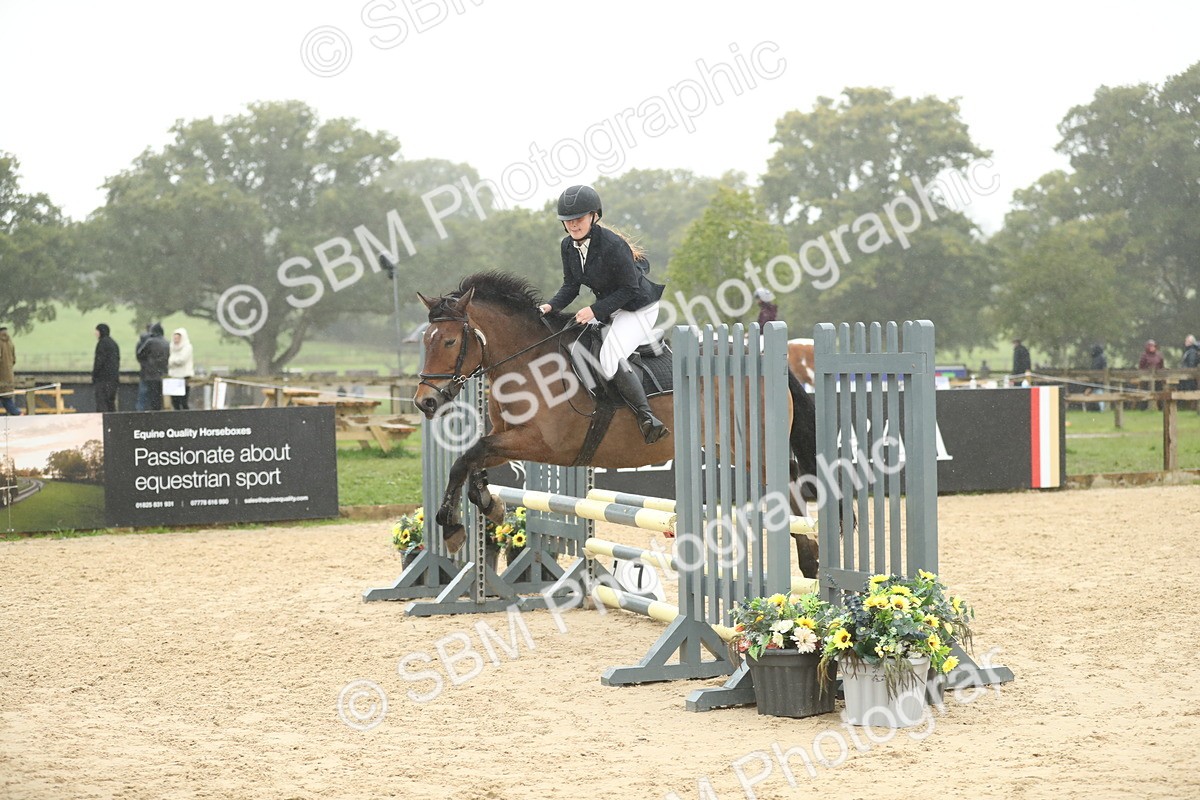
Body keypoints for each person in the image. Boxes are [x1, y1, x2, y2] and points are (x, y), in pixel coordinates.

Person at [538, 184, 669, 444]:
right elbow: (571, 286)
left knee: (610, 358)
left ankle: (648, 418)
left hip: (639, 307)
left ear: (594, 216)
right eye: (568, 221)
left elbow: (630, 289)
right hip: (612, 305)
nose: (573, 225)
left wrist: (595, 310)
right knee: (576, 342)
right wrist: (550, 306)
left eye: (579, 219)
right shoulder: (568, 247)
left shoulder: (612, 244)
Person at [135, 322, 170, 411]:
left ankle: (141, 418)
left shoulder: (150, 341)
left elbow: (140, 354)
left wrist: (146, 363)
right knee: (157, 398)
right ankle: (157, 417)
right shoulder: (166, 342)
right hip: (161, 374)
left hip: (148, 373)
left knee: (143, 397)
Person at [92, 323, 121, 413]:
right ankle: (112, 423)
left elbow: (99, 362)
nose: (95, 334)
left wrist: (94, 374)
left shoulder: (102, 344)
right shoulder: (114, 343)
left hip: (102, 379)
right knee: (110, 403)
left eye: (97, 331)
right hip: (113, 378)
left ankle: (102, 423)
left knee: (102, 403)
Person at [167, 327, 195, 410]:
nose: (176, 339)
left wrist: (171, 361)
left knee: (183, 400)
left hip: (183, 376)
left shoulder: (187, 347)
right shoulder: (172, 347)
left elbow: (182, 360)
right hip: (173, 376)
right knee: (174, 401)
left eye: (178, 337)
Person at [1138, 339, 1165, 410]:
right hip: (1146, 378)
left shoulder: (1159, 355)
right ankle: (1143, 408)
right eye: (1150, 346)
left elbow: (1161, 366)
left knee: (1159, 392)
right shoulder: (1144, 356)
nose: (1152, 347)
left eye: (1153, 346)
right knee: (1145, 392)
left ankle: (1161, 408)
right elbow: (1141, 367)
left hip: (1158, 378)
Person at [0, 325, 20, 416]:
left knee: (6, 400)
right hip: (8, 378)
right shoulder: (10, 343)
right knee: (7, 399)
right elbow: (14, 360)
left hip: (1, 377)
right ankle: (19, 415)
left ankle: (18, 415)